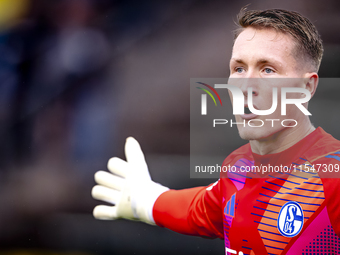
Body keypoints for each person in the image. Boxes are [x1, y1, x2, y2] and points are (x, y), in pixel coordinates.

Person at [91, 8, 340, 254]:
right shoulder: (238, 168)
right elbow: (200, 209)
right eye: (239, 69)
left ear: (307, 87)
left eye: (268, 69)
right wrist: (146, 200)